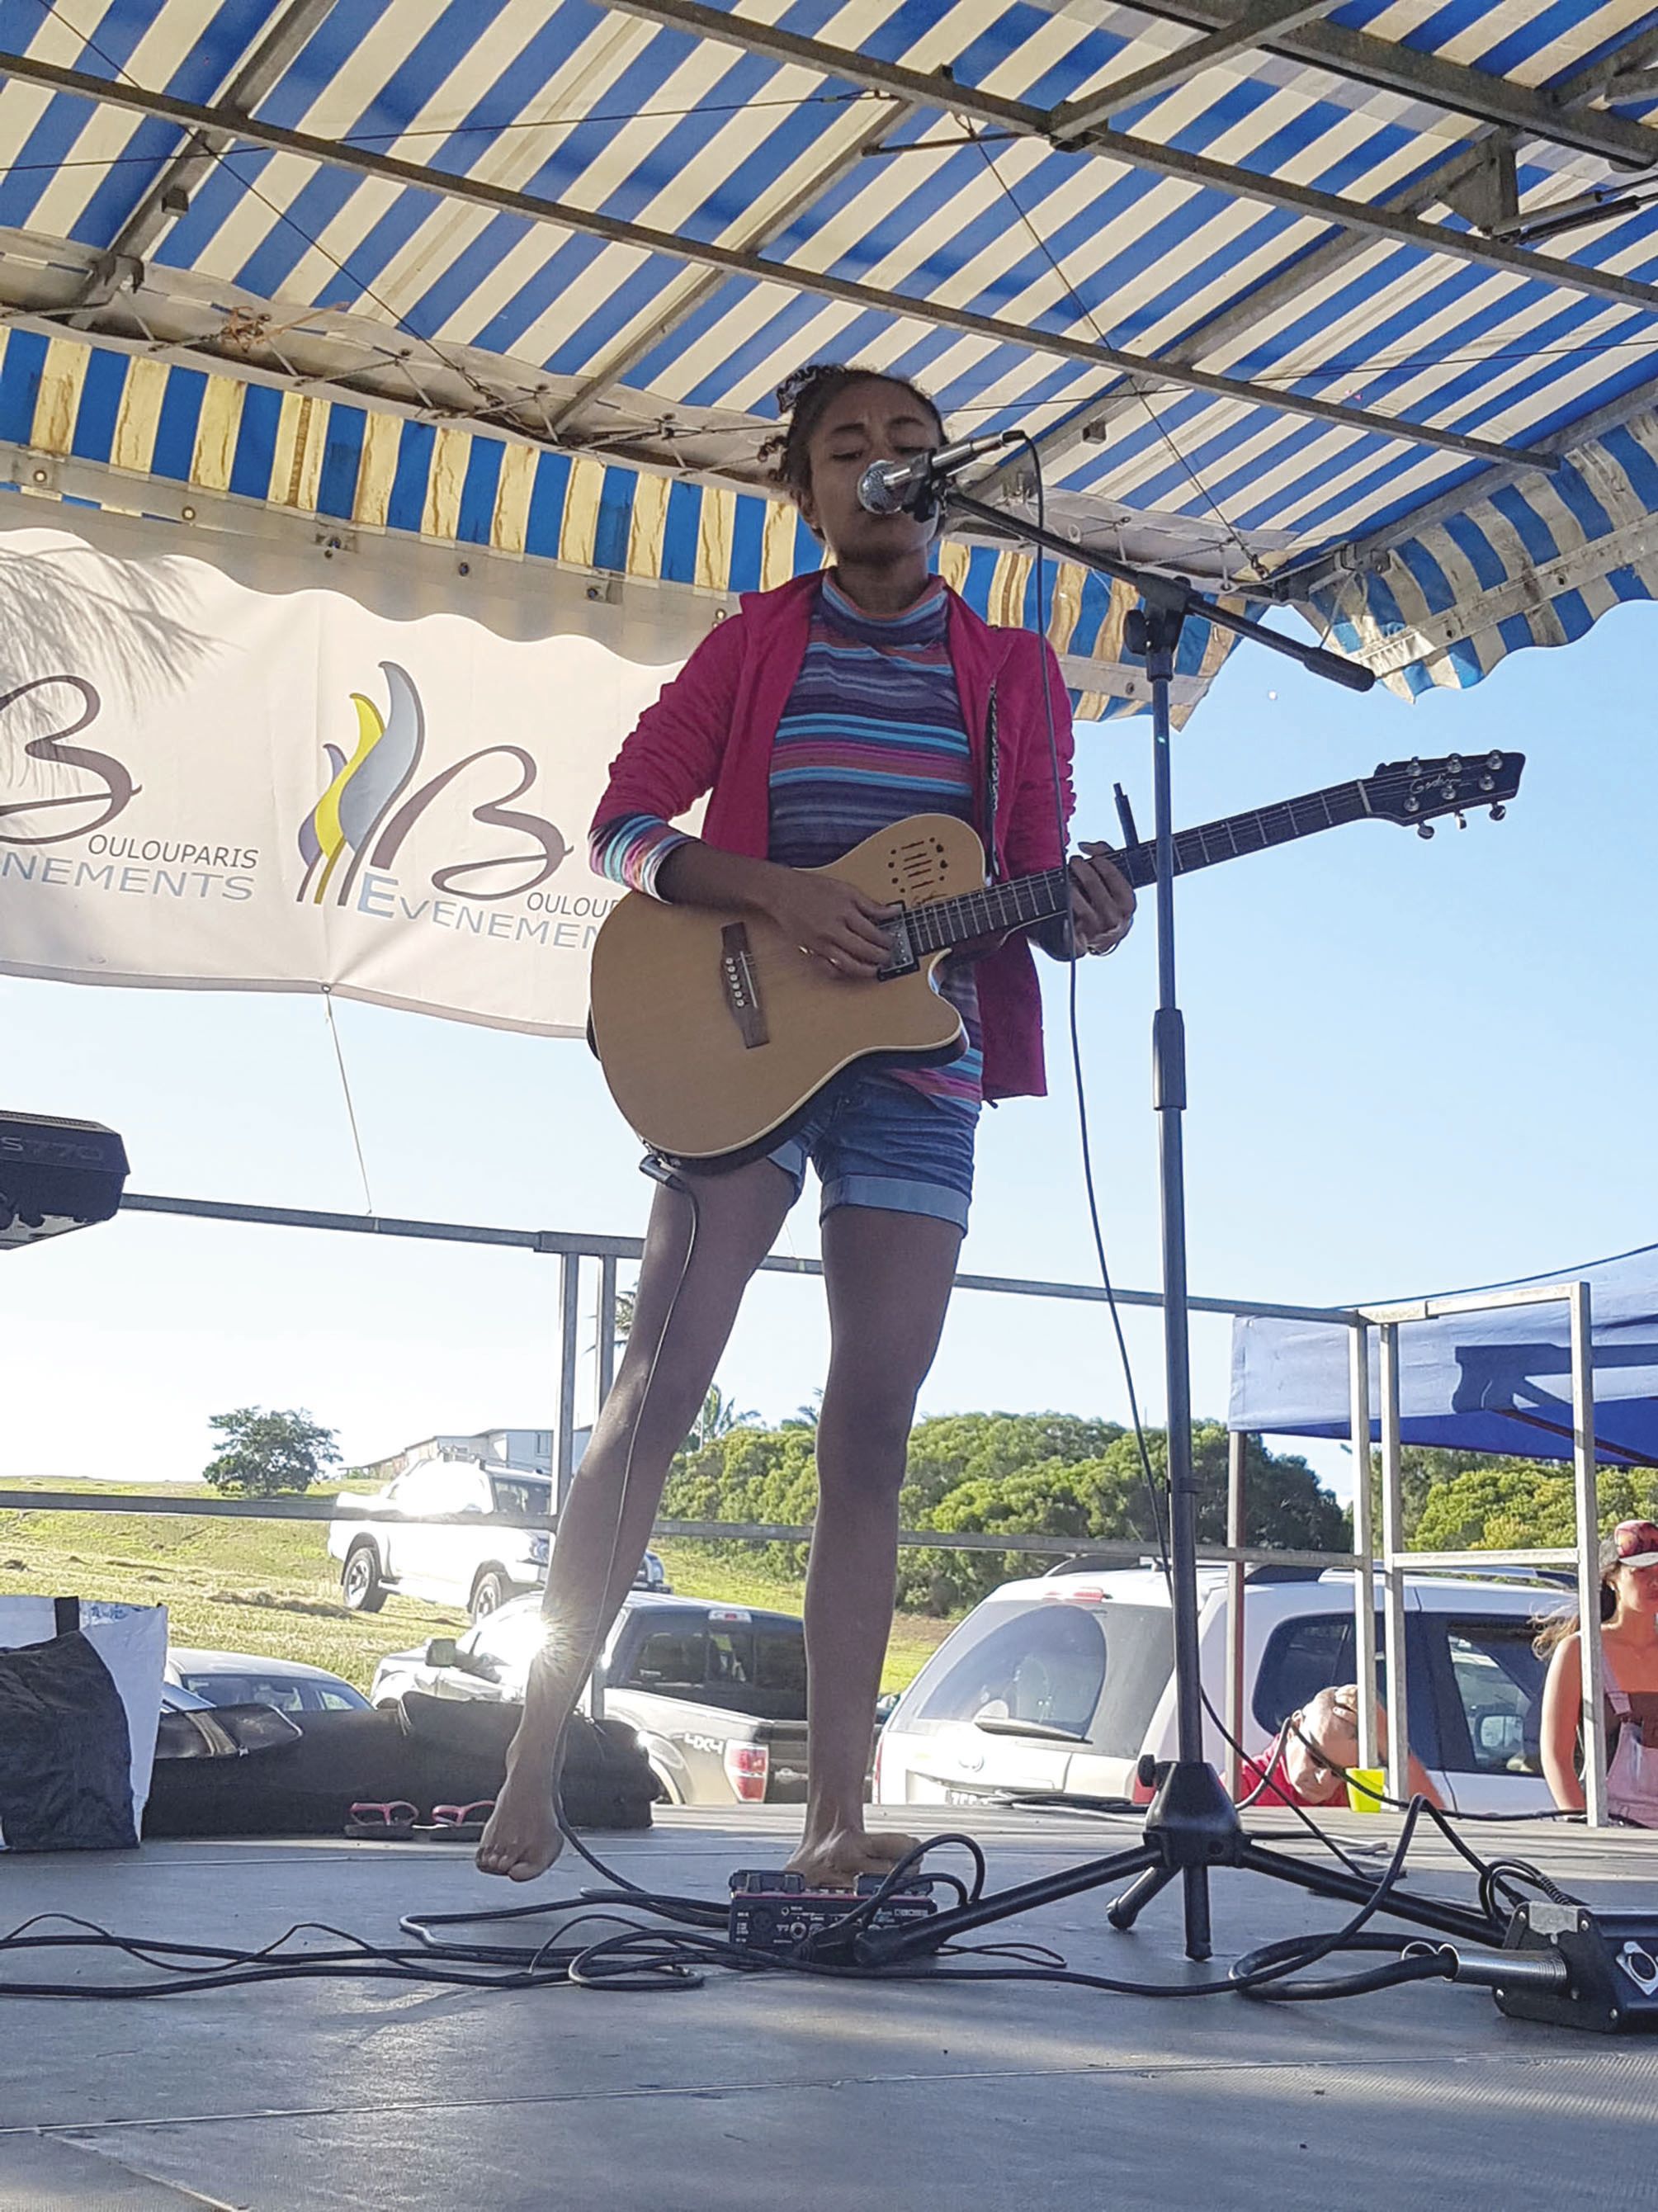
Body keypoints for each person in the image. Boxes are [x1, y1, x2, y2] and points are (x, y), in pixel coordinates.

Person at [476, 362, 1136, 1888]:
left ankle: (834, 1818)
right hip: (733, 1038)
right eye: (850, 448)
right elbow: (622, 829)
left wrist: (1081, 914)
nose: (884, 464)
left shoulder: (1016, 670)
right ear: (805, 488)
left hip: (919, 1061)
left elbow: (1030, 879)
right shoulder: (755, 639)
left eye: (912, 443)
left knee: (872, 1428)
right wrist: (777, 895)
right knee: (653, 1393)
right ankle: (530, 1757)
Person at [1537, 1518, 1658, 1824]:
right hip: (1610, 1826)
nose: (1654, 1581)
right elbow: (1555, 1757)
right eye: (1641, 1571)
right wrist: (1589, 1829)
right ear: (1612, 1578)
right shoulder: (1580, 1651)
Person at [1235, 1683, 1442, 1811]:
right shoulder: (1241, 1786)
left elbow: (1439, 1827)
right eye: (1317, 1759)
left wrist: (1388, 1742)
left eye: (1339, 1773)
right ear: (1294, 1728)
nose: (1323, 1779)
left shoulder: (1355, 1792)